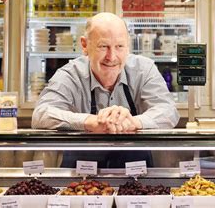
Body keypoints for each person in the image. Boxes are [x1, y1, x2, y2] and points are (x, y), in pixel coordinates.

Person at [32, 12, 180, 167]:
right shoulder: (70, 74)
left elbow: (169, 111)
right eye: (103, 46)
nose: (112, 56)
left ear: (128, 46)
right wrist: (90, 122)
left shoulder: (144, 69)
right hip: (81, 176)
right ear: (85, 45)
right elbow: (41, 114)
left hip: (135, 174)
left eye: (119, 46)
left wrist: (133, 122)